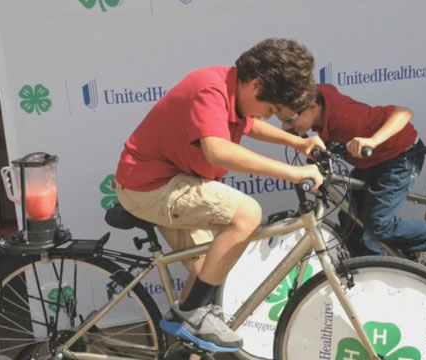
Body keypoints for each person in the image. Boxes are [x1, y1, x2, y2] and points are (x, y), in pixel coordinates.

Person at [113, 38, 323, 352]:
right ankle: (190, 313)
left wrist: (297, 143)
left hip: (168, 180)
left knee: (206, 277)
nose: (268, 116)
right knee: (247, 214)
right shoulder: (208, 90)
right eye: (271, 109)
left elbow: (249, 124)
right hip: (150, 186)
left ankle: (184, 337)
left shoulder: (230, 89)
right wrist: (293, 171)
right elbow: (217, 150)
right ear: (256, 85)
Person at [281, 84, 426, 277]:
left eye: (290, 120)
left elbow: (404, 112)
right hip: (372, 162)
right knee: (352, 222)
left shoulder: (345, 115)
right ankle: (375, 272)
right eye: (282, 121)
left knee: (379, 224)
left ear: (313, 107)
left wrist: (373, 140)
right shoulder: (316, 103)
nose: (286, 127)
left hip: (400, 156)